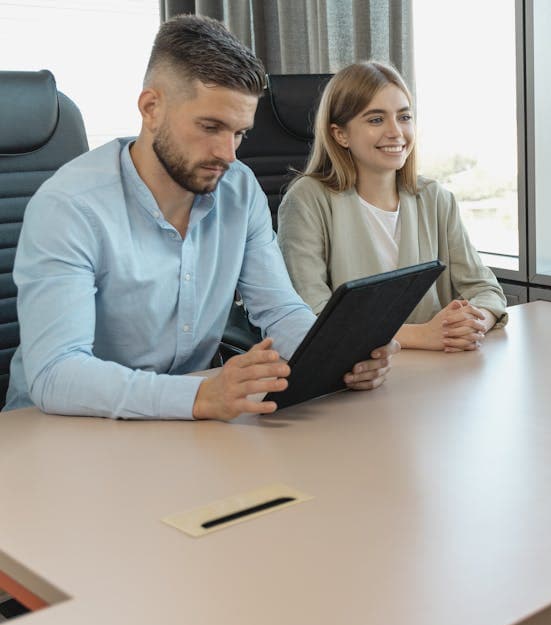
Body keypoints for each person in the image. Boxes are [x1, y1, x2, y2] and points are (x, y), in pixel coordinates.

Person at [5, 15, 397, 420]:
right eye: (211, 127)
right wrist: (200, 397)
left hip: (181, 424)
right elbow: (56, 374)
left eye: (240, 133)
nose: (229, 154)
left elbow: (279, 311)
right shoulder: (70, 206)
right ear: (151, 108)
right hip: (57, 432)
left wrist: (339, 358)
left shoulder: (239, 189)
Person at [277, 60, 507, 353]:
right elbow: (312, 315)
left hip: (437, 369)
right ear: (340, 134)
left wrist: (474, 323)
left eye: (404, 117)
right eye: (376, 119)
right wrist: (422, 336)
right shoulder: (307, 200)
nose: (396, 132)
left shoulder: (434, 198)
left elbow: (485, 289)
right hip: (355, 374)